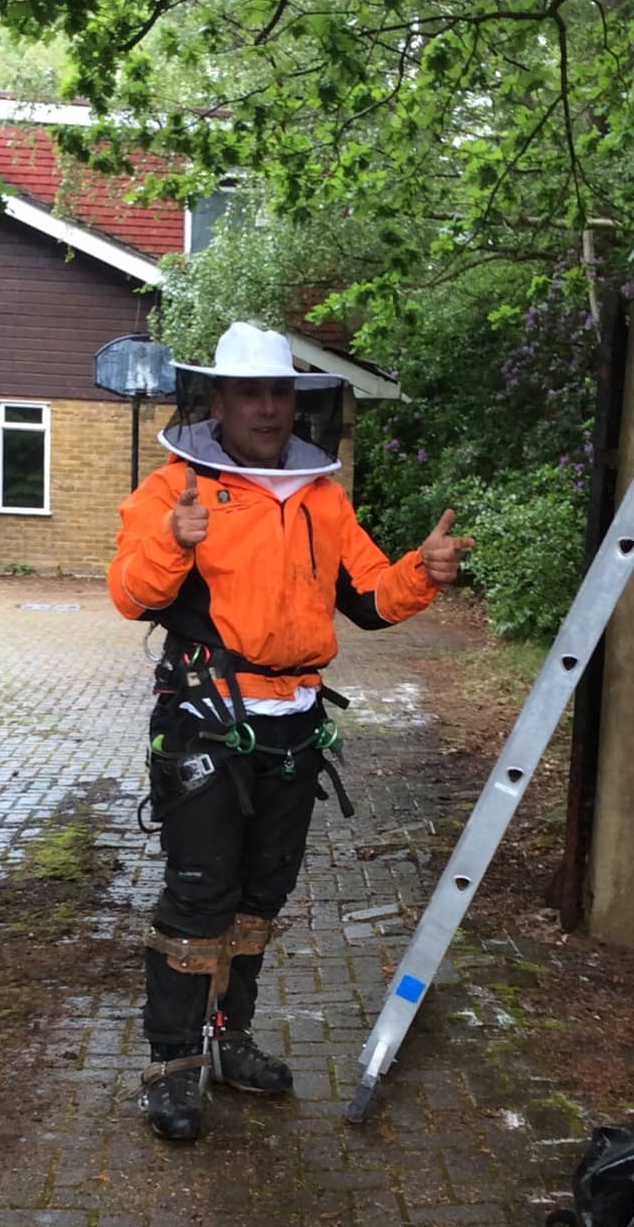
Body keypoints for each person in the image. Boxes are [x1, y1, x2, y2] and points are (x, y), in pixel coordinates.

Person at [107, 321, 472, 1142]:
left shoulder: (320, 495)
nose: (267, 407)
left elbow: (368, 594)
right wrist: (172, 543)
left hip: (295, 726)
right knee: (201, 893)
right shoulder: (173, 490)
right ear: (219, 401)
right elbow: (131, 594)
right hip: (206, 720)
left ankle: (229, 1039)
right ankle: (173, 1065)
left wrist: (421, 570)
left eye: (279, 392)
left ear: (296, 402)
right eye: (250, 393)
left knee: (259, 898)